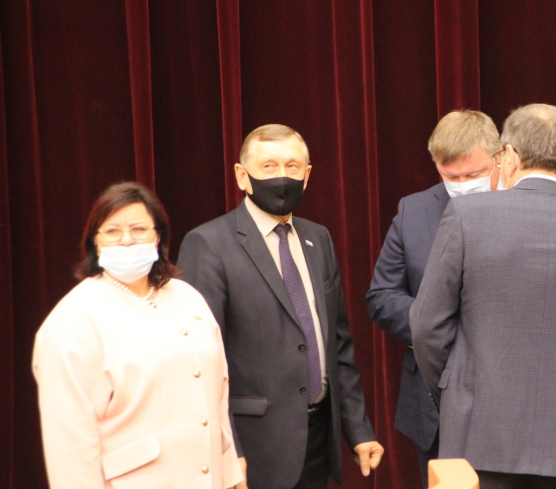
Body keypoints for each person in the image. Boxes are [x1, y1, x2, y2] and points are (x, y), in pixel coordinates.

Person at [410, 104, 556, 489]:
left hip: (477, 442)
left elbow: (425, 328)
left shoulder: (465, 216)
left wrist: (458, 393)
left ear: (510, 157)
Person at [178, 124, 383, 489]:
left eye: (292, 166)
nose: (281, 177)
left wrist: (358, 429)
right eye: (268, 167)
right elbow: (200, 362)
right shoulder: (208, 244)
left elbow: (338, 344)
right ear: (242, 175)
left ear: (307, 175)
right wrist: (227, 450)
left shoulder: (318, 238)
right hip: (252, 447)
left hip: (317, 441)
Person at [32, 181, 244, 489]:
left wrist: (232, 475)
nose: (127, 240)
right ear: (95, 243)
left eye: (139, 229)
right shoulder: (73, 320)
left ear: (158, 237)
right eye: (112, 231)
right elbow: (70, 445)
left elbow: (217, 396)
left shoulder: (188, 297)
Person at [366, 109, 501, 487]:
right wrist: (438, 322)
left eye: (472, 175)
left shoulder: (525, 205)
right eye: (450, 176)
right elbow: (381, 296)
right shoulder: (414, 210)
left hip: (509, 403)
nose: (461, 185)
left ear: (501, 157)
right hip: (436, 401)